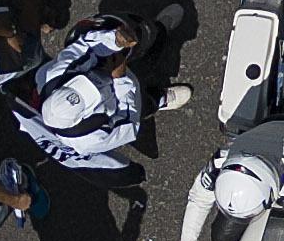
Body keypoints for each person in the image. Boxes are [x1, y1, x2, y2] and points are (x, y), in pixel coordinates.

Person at [12, 15, 182, 175]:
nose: (94, 84)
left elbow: (84, 45)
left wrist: (115, 40)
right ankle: (155, 99)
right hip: (122, 95)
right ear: (81, 119)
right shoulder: (90, 140)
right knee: (141, 100)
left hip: (105, 64)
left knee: (112, 33)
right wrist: (121, 79)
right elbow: (129, 124)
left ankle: (158, 31)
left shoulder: (51, 76)